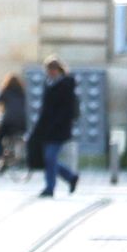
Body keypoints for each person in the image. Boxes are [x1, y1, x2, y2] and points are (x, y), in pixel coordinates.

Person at [30, 55, 80, 197]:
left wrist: (56, 124)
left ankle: (50, 188)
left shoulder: (66, 85)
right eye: (48, 70)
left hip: (59, 129)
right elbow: (45, 110)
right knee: (48, 159)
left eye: (52, 70)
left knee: (50, 158)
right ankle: (71, 177)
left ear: (58, 70)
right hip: (47, 129)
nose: (50, 73)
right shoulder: (49, 84)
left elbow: (66, 111)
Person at [0, 73, 28, 168]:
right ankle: (13, 154)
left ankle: (1, 159)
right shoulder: (23, 93)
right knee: (13, 135)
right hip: (23, 123)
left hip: (10, 121)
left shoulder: (5, 92)